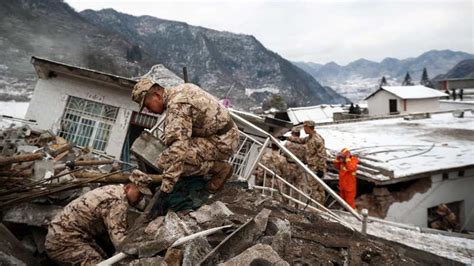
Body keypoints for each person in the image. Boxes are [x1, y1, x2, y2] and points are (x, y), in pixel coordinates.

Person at [132, 78, 239, 218]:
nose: (148, 110)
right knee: (170, 158)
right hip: (221, 135)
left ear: (157, 96)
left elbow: (178, 150)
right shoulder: (182, 89)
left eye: (147, 105)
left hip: (222, 141)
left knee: (168, 161)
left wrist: (164, 192)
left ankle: (219, 168)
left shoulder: (177, 106)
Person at [45, 170, 153, 265]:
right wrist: (142, 251)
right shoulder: (118, 202)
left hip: (66, 235)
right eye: (139, 194)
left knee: (105, 259)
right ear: (129, 187)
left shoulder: (113, 190)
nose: (140, 198)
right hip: (63, 241)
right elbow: (120, 243)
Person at [287, 120, 327, 204]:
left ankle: (317, 206)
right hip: (312, 166)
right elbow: (301, 141)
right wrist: (287, 138)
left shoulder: (317, 139)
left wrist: (320, 169)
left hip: (316, 168)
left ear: (308, 127)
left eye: (304, 127)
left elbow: (322, 155)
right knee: (318, 188)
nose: (303, 129)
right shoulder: (310, 137)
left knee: (314, 188)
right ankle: (319, 205)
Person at [283, 127, 308, 199]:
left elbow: (282, 155)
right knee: (297, 187)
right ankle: (296, 204)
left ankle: (285, 202)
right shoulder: (304, 146)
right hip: (299, 168)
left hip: (289, 166)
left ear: (293, 134)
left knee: (287, 185)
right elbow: (306, 160)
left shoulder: (288, 144)